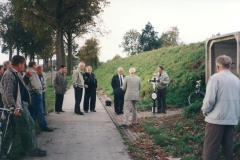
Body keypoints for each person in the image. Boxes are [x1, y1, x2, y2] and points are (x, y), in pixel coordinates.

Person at [1, 55, 47, 157]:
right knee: (26, 127)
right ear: (19, 64)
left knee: (30, 124)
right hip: (18, 105)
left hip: (21, 104)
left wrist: (26, 77)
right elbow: (7, 93)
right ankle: (31, 150)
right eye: (23, 64)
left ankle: (34, 147)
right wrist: (14, 107)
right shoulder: (9, 75)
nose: (24, 67)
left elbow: (20, 88)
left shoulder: (15, 73)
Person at [201, 55, 240, 160]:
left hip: (216, 120)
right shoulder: (236, 80)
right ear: (230, 66)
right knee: (228, 149)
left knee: (211, 150)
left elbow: (209, 100)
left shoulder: (215, 78)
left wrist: (205, 111)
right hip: (231, 119)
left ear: (217, 66)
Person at [27, 62, 53, 132]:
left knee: (32, 111)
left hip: (31, 94)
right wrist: (39, 90)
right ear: (33, 65)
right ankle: (43, 126)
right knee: (40, 111)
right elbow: (35, 84)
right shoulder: (32, 73)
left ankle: (31, 125)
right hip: (35, 94)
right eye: (35, 65)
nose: (36, 66)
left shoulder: (29, 72)